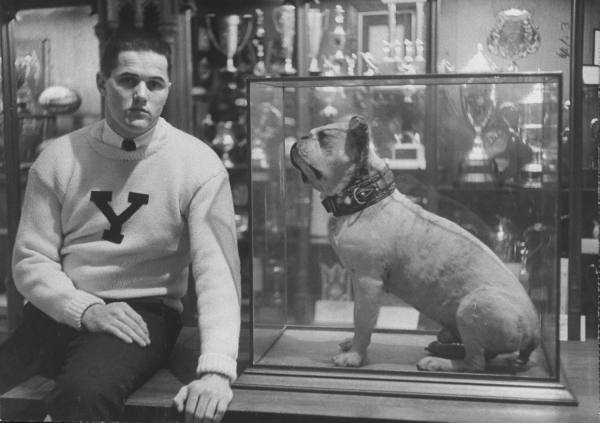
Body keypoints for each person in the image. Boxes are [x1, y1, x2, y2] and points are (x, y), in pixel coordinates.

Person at [0, 27, 241, 422]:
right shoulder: (58, 158)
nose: (141, 94)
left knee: (84, 395)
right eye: (128, 80)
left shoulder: (199, 165)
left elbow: (218, 274)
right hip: (61, 307)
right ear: (102, 83)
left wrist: (217, 370)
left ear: (168, 89)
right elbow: (31, 260)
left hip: (143, 315)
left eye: (155, 84)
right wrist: (85, 309)